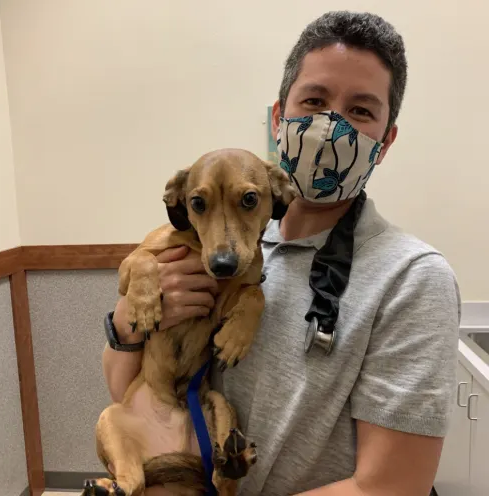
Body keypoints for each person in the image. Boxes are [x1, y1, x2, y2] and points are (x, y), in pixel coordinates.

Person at [103, 11, 460, 496]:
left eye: (360, 111)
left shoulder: (411, 278)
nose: (330, 126)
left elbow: (390, 486)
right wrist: (130, 316)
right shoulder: (221, 248)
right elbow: (127, 391)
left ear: (385, 140)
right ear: (279, 118)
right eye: (314, 101)